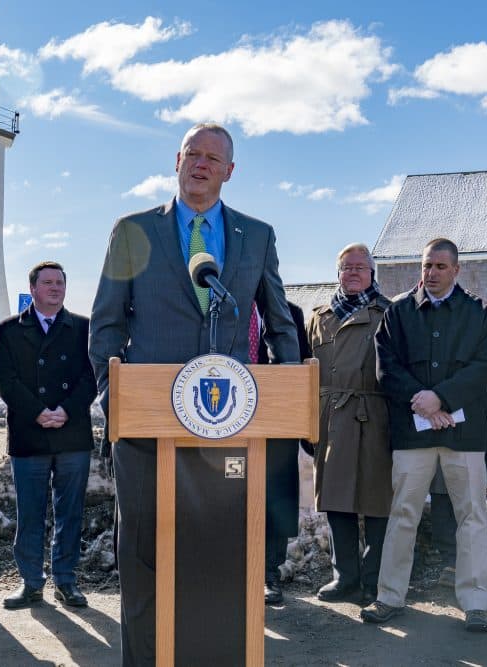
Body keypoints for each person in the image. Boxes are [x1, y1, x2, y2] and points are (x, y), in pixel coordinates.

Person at [90, 122, 299, 665]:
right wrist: (115, 398)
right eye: (193, 154)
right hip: (145, 424)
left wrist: (289, 388)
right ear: (176, 160)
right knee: (145, 552)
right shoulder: (132, 230)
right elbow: (106, 325)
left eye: (213, 158)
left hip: (228, 426)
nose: (201, 164)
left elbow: (279, 323)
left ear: (230, 171)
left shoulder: (258, 235)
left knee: (220, 552)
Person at [363, 238, 487, 633]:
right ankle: (389, 596)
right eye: (427, 266)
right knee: (403, 513)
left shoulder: (479, 313)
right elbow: (386, 366)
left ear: (457, 270)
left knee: (471, 516)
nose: (432, 273)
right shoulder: (399, 313)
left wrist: (441, 398)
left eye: (441, 266)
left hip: (464, 434)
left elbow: (486, 366)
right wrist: (421, 401)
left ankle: (475, 603)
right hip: (412, 433)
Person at [0, 261, 96, 609]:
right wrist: (37, 411)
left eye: (60, 283)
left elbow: (91, 377)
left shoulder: (83, 328)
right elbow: (5, 379)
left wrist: (66, 409)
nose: (55, 288)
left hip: (72, 432)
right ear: (33, 288)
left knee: (70, 513)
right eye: (47, 283)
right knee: (31, 512)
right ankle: (31, 581)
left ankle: (66, 580)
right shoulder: (8, 330)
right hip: (29, 433)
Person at [307, 243, 392, 608]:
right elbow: (306, 373)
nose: (353, 272)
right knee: (336, 500)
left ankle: (375, 581)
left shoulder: (388, 313)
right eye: (346, 267)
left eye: (360, 267)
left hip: (374, 416)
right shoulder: (319, 316)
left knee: (376, 502)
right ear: (338, 273)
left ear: (372, 273)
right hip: (330, 418)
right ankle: (345, 577)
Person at [260, 300, 311, 605]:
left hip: (277, 424)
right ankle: (231, 572)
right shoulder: (220, 304)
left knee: (275, 501)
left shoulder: (290, 312)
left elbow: (304, 365)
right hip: (228, 422)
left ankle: (268, 574)